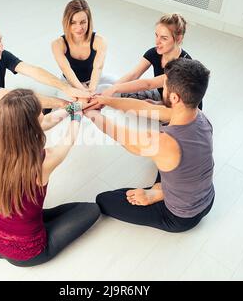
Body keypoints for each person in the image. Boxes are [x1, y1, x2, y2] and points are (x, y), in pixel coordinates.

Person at [84, 58, 214, 232]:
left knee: (104, 200)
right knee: (172, 162)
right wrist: (105, 100)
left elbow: (121, 135)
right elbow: (145, 107)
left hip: (181, 216)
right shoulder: (199, 115)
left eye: (165, 86)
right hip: (208, 198)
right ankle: (160, 191)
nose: (162, 89)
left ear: (174, 97)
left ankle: (160, 193)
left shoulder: (164, 143)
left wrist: (92, 113)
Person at [0, 89, 100, 267]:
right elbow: (69, 139)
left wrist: (73, 107)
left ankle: (29, 218)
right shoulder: (45, 161)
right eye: (40, 113)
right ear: (31, 124)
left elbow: (47, 121)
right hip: (25, 253)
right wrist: (77, 116)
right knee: (92, 209)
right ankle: (33, 221)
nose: (44, 114)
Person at [0, 17, 91, 167]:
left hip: (0, 113)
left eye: (0, 40)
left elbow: (33, 71)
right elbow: (13, 97)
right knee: (3, 167)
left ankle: (58, 109)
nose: (0, 47)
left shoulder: (0, 55)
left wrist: (66, 88)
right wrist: (64, 102)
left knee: (38, 115)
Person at [100, 13, 202, 110]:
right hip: (162, 97)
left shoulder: (184, 65)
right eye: (156, 35)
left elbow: (149, 84)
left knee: (135, 108)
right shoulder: (154, 52)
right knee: (124, 94)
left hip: (181, 109)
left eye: (164, 38)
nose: (157, 42)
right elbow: (134, 74)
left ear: (178, 39)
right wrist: (112, 89)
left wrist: (157, 105)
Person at [52, 0, 115, 96]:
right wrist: (82, 91)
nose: (79, 28)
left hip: (94, 79)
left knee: (119, 85)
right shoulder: (57, 44)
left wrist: (91, 90)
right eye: (73, 22)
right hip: (70, 82)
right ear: (67, 22)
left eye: (83, 22)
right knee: (69, 105)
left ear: (89, 21)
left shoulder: (100, 41)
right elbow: (67, 70)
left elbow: (98, 68)